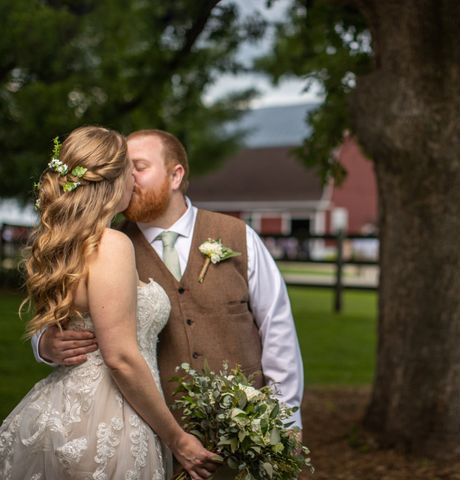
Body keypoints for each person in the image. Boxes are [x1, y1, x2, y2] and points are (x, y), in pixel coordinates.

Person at [33, 129, 305, 478]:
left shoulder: (238, 235)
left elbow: (277, 328)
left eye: (139, 167)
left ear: (176, 175)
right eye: (123, 168)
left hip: (242, 433)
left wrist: (286, 419)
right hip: (151, 427)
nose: (129, 177)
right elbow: (60, 307)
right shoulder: (105, 242)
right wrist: (43, 343)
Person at [0, 126, 216, 479]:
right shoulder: (111, 243)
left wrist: (44, 340)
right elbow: (120, 357)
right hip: (107, 418)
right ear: (116, 179)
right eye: (131, 169)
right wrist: (177, 439)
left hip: (61, 411)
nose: (135, 179)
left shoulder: (65, 244)